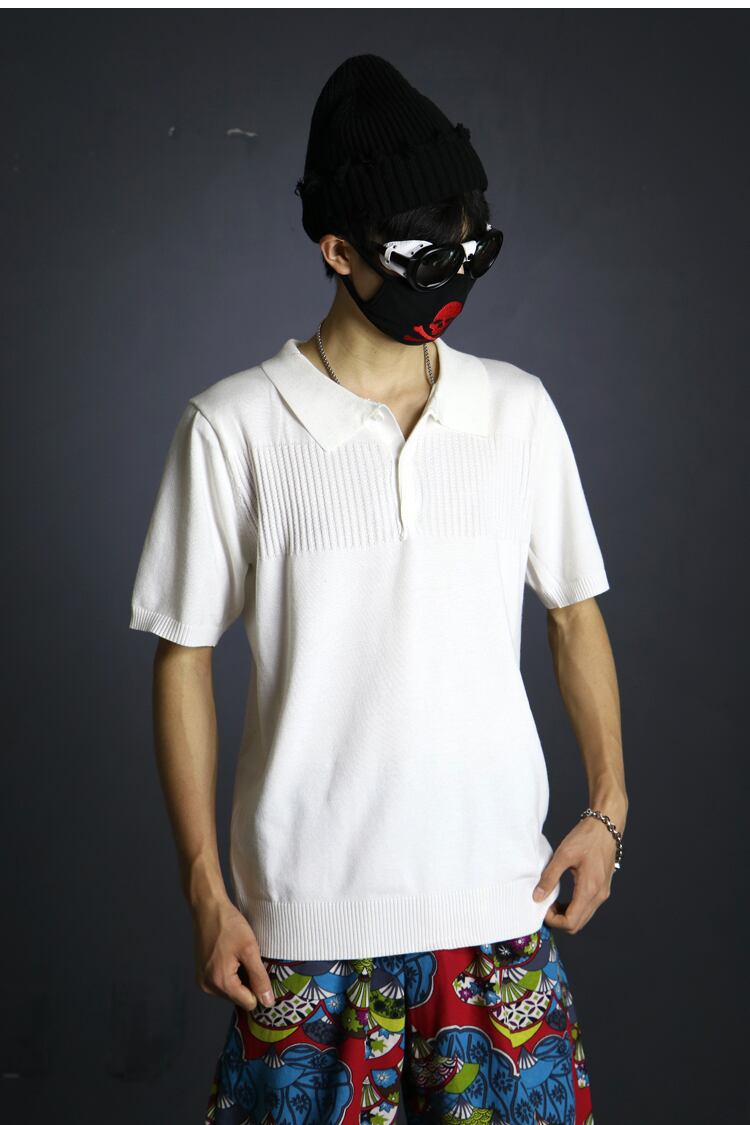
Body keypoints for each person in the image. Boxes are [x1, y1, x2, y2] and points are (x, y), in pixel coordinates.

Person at [129, 54, 627, 1125]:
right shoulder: (232, 428)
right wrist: (206, 892)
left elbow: (575, 612)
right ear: (339, 250)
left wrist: (608, 809)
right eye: (420, 258)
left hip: (498, 918)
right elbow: (183, 653)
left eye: (469, 250)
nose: (449, 278)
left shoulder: (518, 412)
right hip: (303, 937)